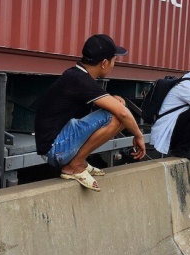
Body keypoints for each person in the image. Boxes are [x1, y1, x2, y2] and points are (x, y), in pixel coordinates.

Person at [34, 34, 146, 191]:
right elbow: (124, 114)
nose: (114, 64)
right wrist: (138, 136)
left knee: (117, 109)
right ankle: (75, 166)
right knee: (116, 116)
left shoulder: (77, 75)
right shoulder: (80, 80)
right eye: (114, 60)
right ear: (104, 63)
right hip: (55, 147)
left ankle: (79, 161)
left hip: (55, 142)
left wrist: (113, 100)